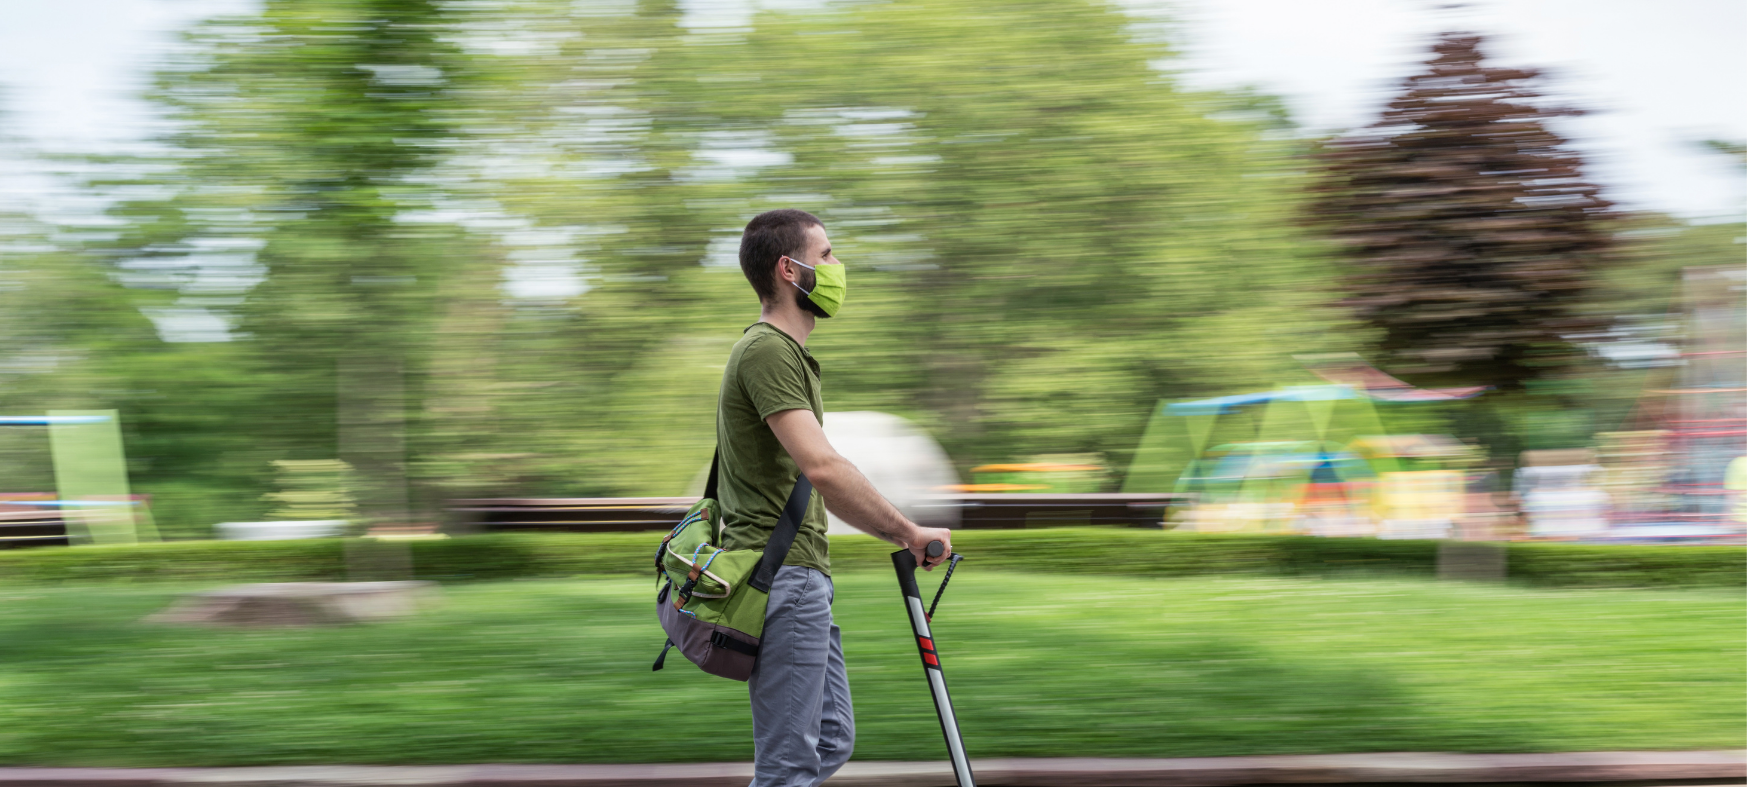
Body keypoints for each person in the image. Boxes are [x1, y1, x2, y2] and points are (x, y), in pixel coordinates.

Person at [718, 209, 954, 787]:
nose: (838, 267)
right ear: (788, 270)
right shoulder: (768, 352)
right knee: (790, 766)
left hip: (799, 578)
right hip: (784, 579)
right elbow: (822, 468)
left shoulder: (785, 355)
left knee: (829, 738)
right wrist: (907, 531)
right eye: (826, 255)